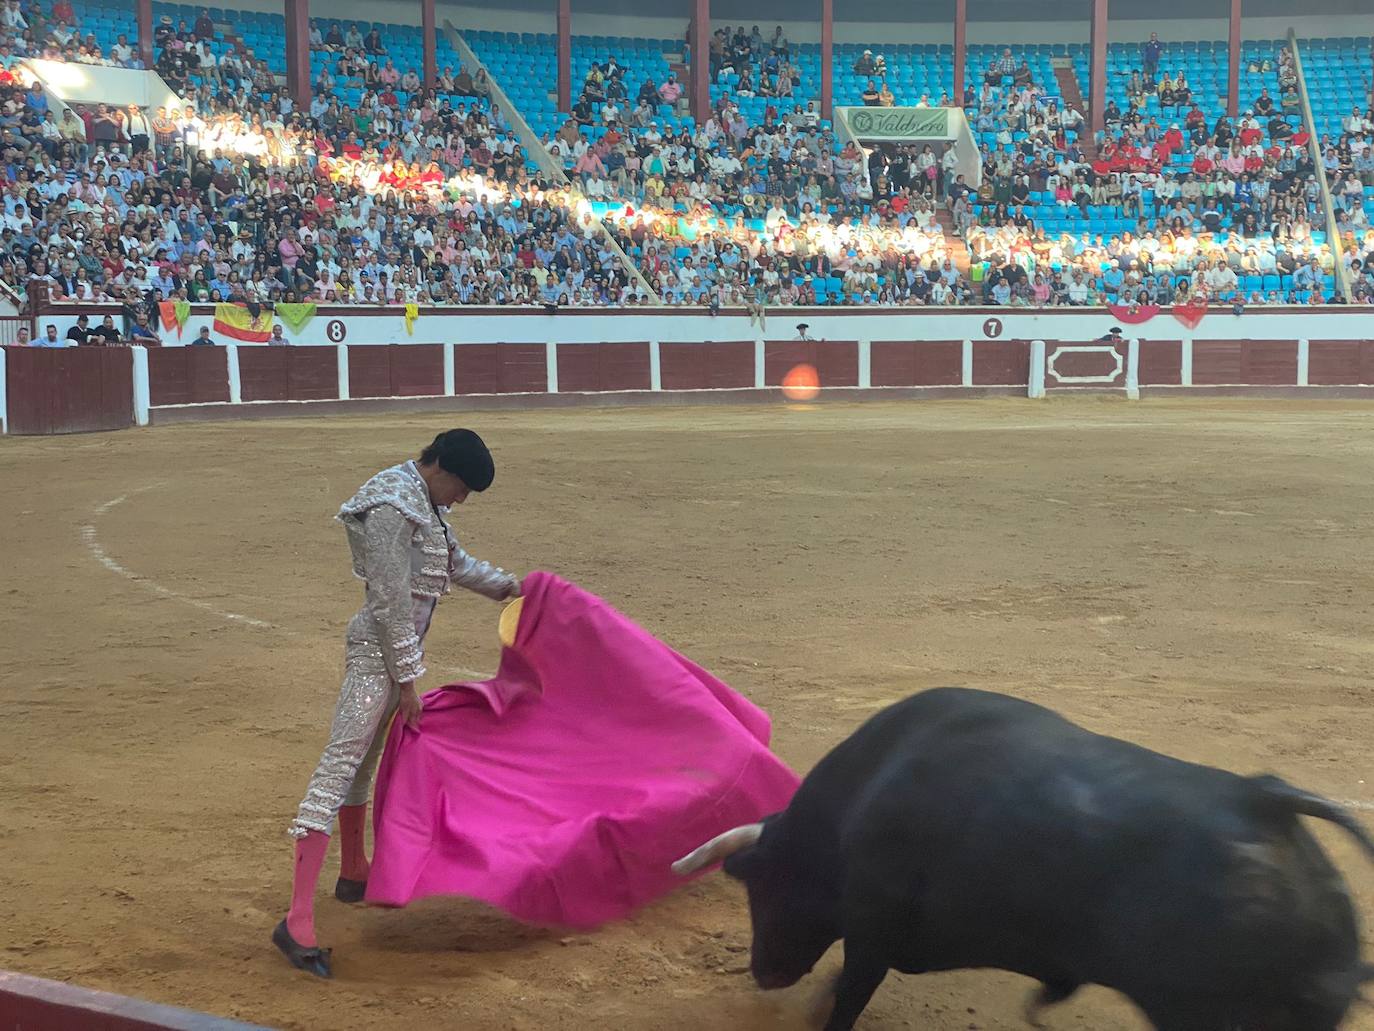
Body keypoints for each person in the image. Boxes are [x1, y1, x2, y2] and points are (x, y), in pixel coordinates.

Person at [274, 430, 523, 978]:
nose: (461, 499)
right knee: (338, 766)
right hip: (375, 656)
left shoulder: (422, 502)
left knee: (360, 767)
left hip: (394, 656)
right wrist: (408, 682)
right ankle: (294, 920)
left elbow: (456, 564)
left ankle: (355, 871)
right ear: (441, 468)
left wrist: (514, 587)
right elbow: (388, 603)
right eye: (461, 487)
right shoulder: (391, 505)